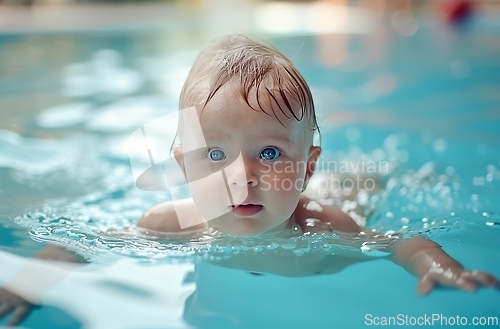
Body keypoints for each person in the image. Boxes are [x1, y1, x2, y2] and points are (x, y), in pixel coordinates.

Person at [137, 34, 498, 294]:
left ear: (307, 168)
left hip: (337, 196)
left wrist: (436, 265)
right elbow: (91, 245)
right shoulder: (166, 224)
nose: (241, 178)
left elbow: (403, 244)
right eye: (215, 155)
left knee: (360, 187)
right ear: (185, 168)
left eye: (269, 153)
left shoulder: (324, 226)